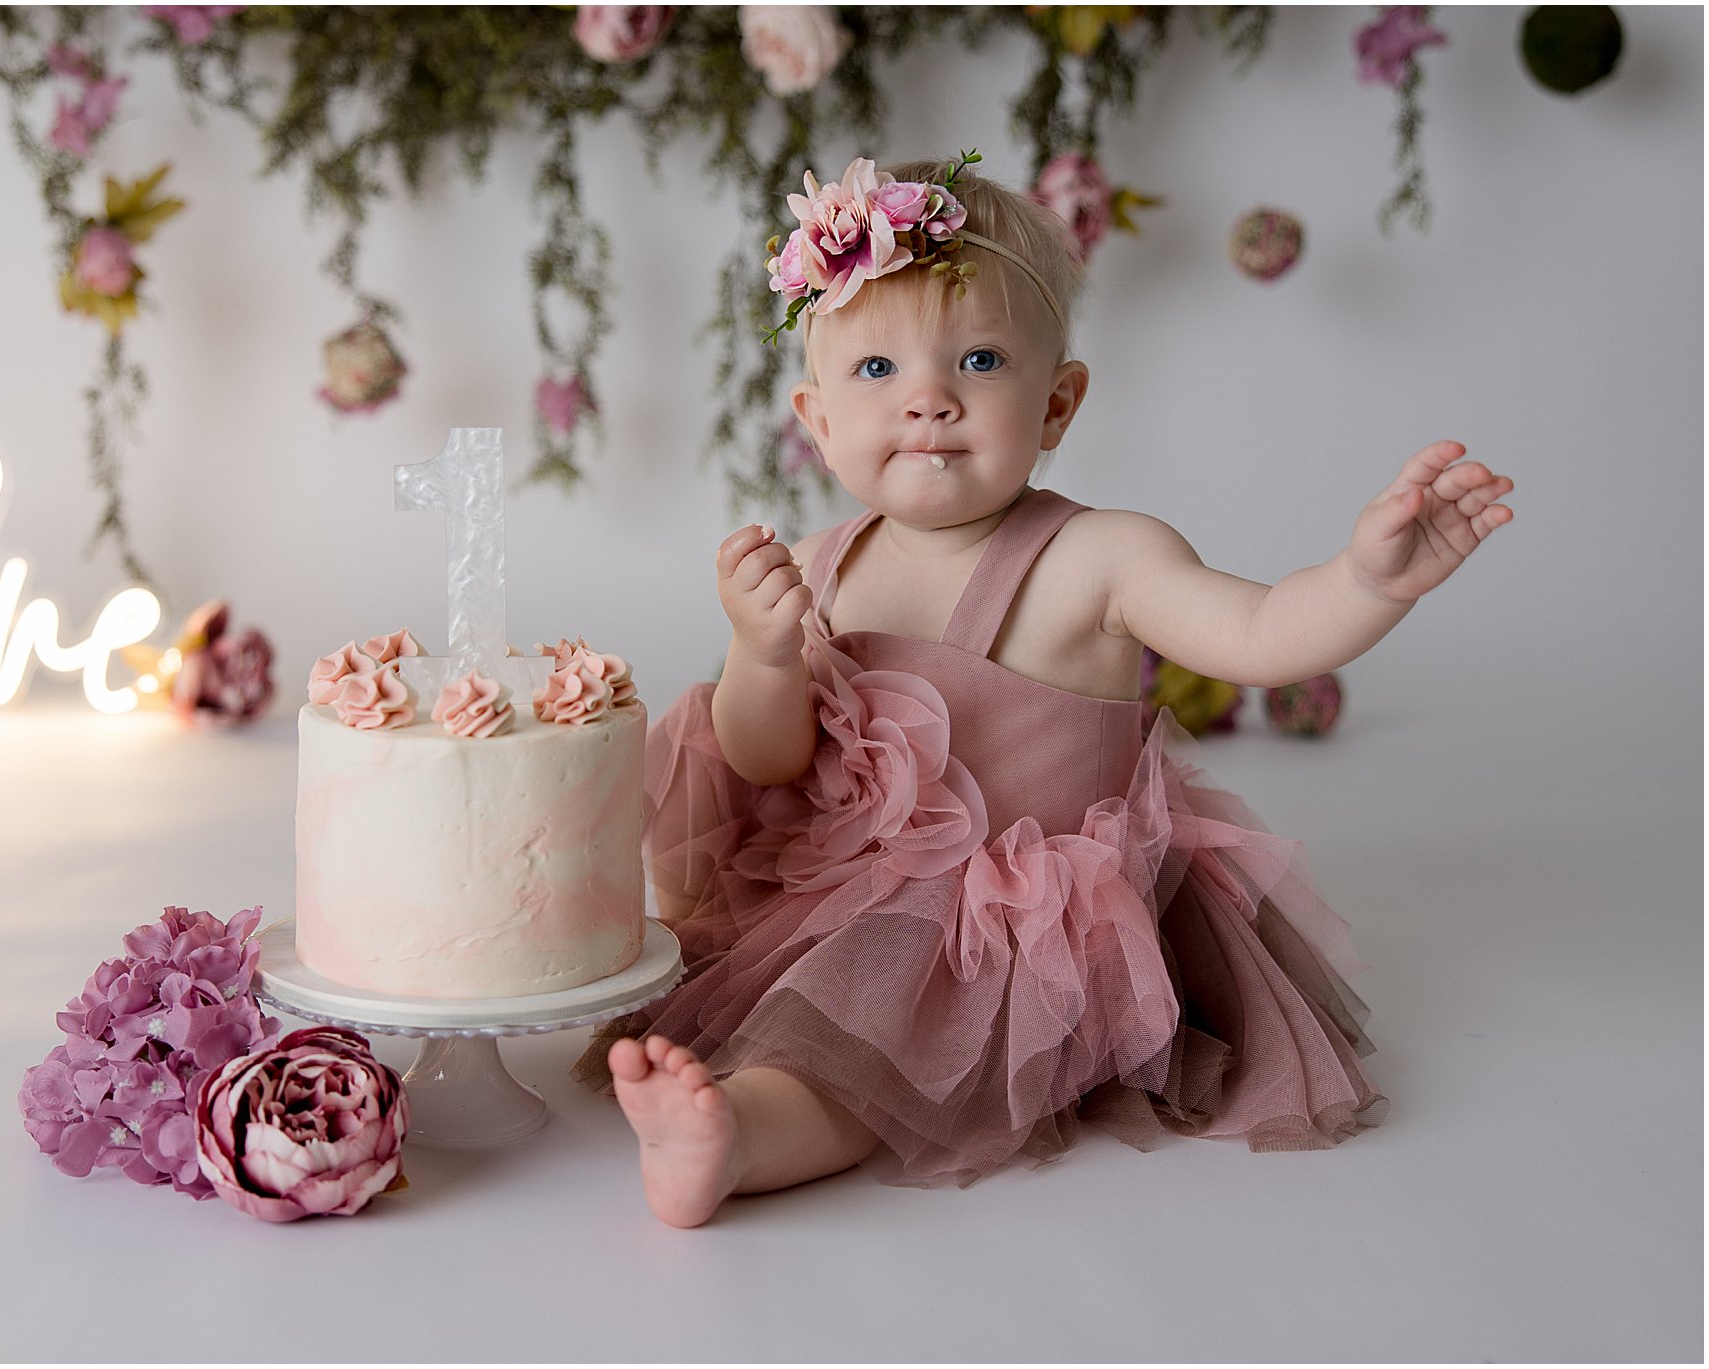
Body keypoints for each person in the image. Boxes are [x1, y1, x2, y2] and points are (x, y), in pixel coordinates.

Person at [572, 152, 1514, 1228]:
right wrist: (764, 653)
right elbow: (762, 760)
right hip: (838, 890)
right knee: (815, 993)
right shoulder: (821, 562)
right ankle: (732, 1113)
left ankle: (739, 1134)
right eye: (875, 371)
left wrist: (1360, 582)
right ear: (818, 420)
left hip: (1024, 923)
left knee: (877, 1048)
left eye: (976, 359)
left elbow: (1256, 633)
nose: (926, 399)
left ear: (1056, 401)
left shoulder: (1098, 556)